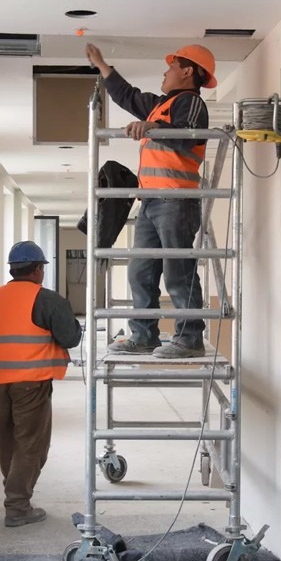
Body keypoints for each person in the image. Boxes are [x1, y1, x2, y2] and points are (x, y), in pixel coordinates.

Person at [85, 42, 216, 359]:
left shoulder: (191, 102)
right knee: (140, 271)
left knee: (177, 272)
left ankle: (190, 339)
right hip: (151, 201)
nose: (165, 72)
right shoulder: (160, 105)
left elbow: (190, 134)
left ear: (187, 71)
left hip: (176, 199)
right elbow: (127, 96)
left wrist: (154, 127)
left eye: (171, 67)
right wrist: (102, 65)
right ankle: (143, 336)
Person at [0, 241, 81, 526]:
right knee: (31, 444)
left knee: (7, 440)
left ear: (13, 269)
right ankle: (18, 506)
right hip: (31, 380)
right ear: (37, 270)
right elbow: (70, 338)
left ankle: (15, 495)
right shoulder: (47, 299)